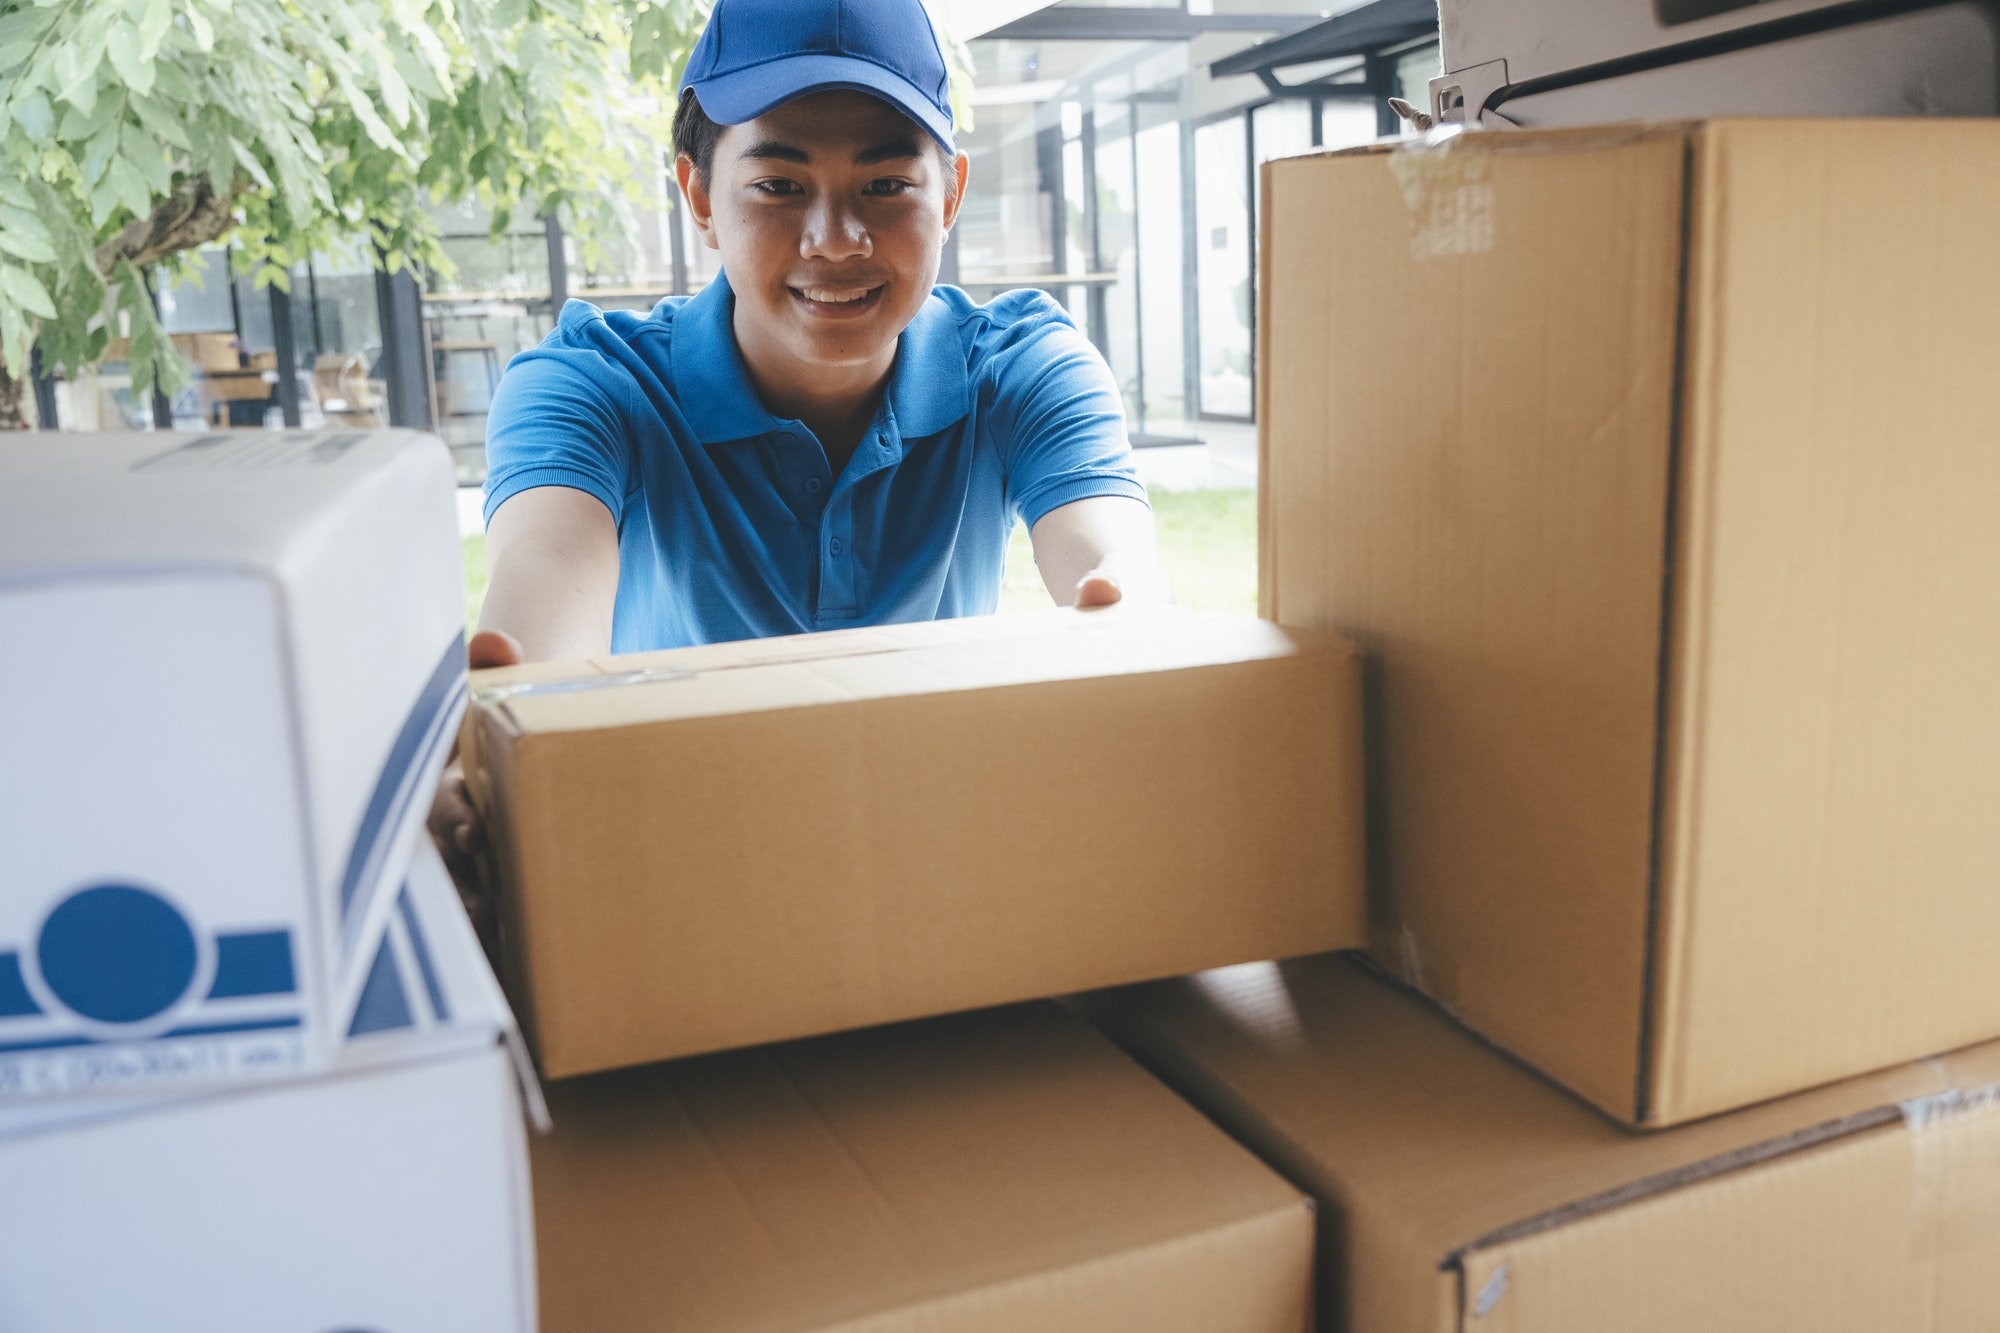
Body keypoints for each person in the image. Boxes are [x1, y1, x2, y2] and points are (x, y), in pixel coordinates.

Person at [431, 0, 1169, 909]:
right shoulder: (593, 385)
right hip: (676, 872)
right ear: (700, 197)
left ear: (950, 194)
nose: (835, 239)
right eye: (779, 186)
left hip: (935, 869)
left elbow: (1114, 569)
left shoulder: (1022, 366)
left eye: (885, 184)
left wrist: (1123, 622)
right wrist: (504, 728)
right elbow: (544, 593)